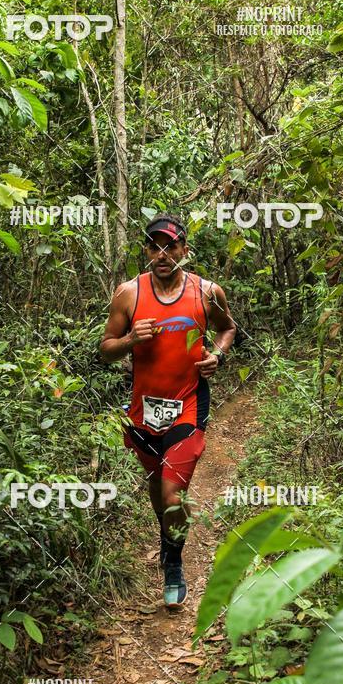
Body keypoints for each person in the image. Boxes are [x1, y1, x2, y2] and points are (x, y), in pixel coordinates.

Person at [99, 213, 236, 607]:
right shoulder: (128, 293)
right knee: (158, 486)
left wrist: (218, 355)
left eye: (170, 246)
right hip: (143, 410)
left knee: (173, 493)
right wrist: (129, 340)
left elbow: (229, 329)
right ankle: (168, 537)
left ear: (184, 251)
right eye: (154, 246)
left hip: (189, 406)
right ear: (145, 251)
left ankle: (173, 564)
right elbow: (104, 350)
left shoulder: (207, 292)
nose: (162, 254)